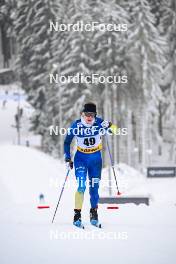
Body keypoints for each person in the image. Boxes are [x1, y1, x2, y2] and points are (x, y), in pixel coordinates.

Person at [64, 102, 117, 227]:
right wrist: (67, 158)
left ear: (95, 115)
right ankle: (77, 214)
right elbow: (67, 142)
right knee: (81, 186)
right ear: (82, 114)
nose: (89, 117)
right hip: (81, 159)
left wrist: (109, 125)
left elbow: (115, 131)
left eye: (92, 115)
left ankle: (94, 212)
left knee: (94, 188)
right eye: (87, 114)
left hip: (95, 160)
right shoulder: (76, 125)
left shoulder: (99, 123)